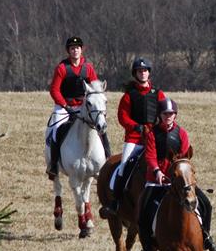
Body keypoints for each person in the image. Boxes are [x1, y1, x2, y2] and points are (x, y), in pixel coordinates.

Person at [133, 97, 216, 251]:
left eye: (171, 114)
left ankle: (207, 237)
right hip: (156, 180)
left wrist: (181, 175)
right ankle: (146, 250)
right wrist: (158, 172)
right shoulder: (152, 134)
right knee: (143, 210)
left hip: (178, 179)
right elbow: (150, 156)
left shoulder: (181, 133)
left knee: (206, 204)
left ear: (175, 115)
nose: (168, 117)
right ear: (160, 115)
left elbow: (184, 156)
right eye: (165, 114)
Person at [100, 56, 167, 219]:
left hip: (154, 137)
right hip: (134, 138)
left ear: (148, 73)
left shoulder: (158, 94)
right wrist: (136, 127)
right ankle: (115, 201)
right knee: (123, 165)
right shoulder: (129, 95)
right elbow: (122, 117)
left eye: (145, 70)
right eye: (139, 71)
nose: (142, 73)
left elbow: (165, 113)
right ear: (135, 74)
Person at [45, 36, 107, 179]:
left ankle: (107, 157)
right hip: (64, 106)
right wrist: (65, 106)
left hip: (84, 106)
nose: (75, 51)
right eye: (72, 49)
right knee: (56, 130)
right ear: (69, 51)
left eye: (77, 48)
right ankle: (53, 164)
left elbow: (95, 88)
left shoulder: (88, 68)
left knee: (100, 126)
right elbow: (54, 90)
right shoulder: (62, 68)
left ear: (81, 50)